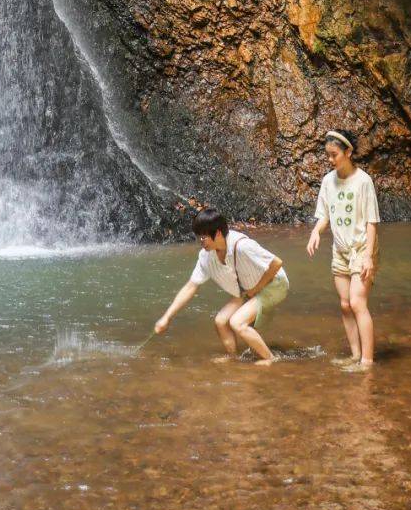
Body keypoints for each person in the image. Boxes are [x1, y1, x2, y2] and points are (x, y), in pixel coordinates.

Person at [153, 207, 289, 365]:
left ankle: (270, 359)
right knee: (221, 321)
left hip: (274, 284)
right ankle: (233, 357)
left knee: (237, 322)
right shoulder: (206, 256)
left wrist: (256, 289)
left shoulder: (243, 245)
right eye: (199, 237)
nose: (201, 242)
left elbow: (277, 263)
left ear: (217, 233)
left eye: (203, 237)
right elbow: (191, 286)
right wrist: (166, 317)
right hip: (248, 289)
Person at [307, 129, 380, 370]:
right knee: (345, 304)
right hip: (340, 249)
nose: (330, 160)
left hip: (361, 248)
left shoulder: (364, 181)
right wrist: (316, 232)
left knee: (358, 303)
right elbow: (324, 216)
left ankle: (367, 362)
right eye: (327, 155)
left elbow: (372, 221)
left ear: (348, 152)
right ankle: (355, 354)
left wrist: (368, 256)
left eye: (334, 154)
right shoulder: (328, 181)